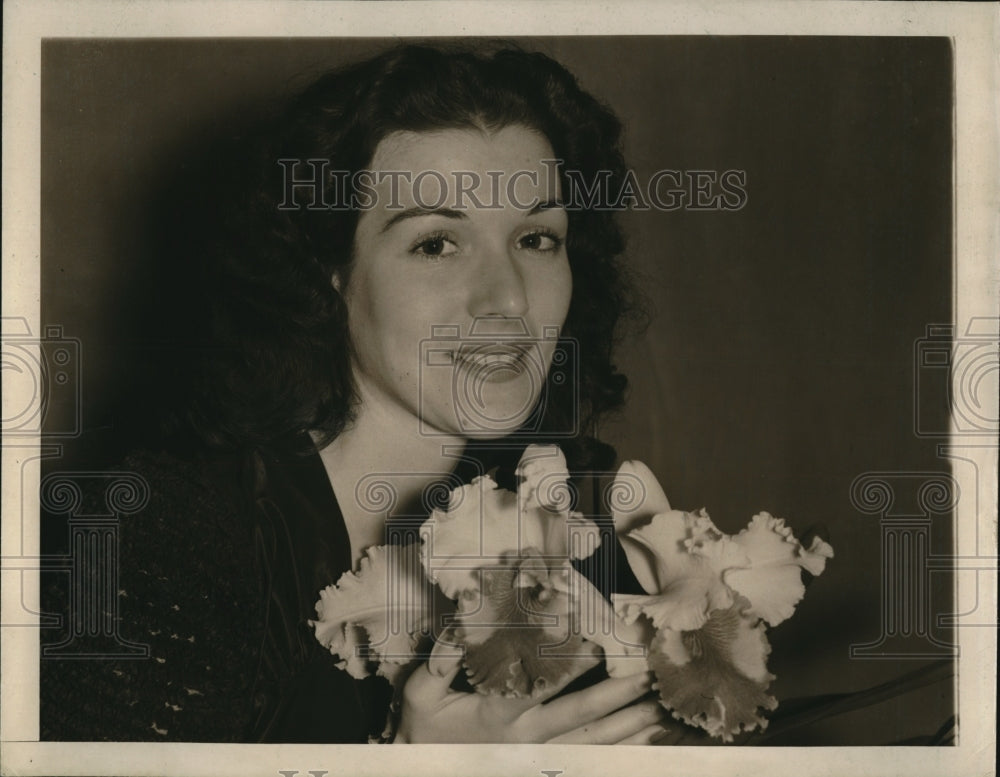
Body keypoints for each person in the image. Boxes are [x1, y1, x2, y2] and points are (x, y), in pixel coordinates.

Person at [40, 43, 659, 744]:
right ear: (329, 273)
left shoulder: (573, 520)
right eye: (436, 244)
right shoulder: (162, 535)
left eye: (537, 239)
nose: (509, 299)